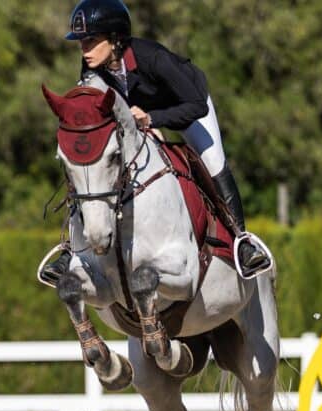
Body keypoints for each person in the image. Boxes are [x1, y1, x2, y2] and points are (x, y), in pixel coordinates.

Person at [41, 0, 272, 285]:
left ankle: (242, 243)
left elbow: (197, 105)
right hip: (142, 119)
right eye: (81, 42)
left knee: (213, 164)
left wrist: (153, 118)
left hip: (186, 109)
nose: (83, 49)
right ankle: (71, 249)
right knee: (93, 168)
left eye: (90, 41)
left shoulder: (153, 58)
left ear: (114, 39)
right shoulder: (92, 67)